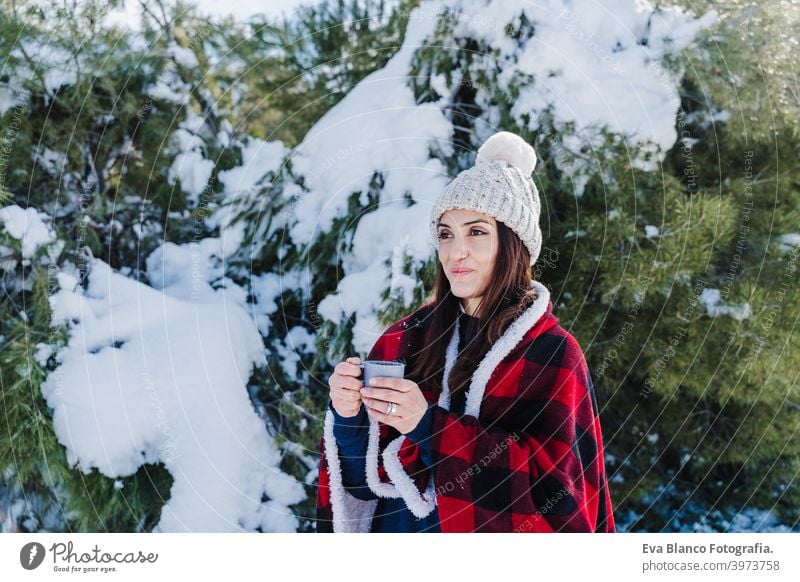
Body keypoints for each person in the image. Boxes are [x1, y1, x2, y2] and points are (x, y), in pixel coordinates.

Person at [315, 131, 615, 533]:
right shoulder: (407, 339)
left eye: (476, 232)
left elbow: (558, 504)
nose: (456, 252)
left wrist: (429, 427)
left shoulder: (551, 353)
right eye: (445, 234)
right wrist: (348, 415)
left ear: (514, 244)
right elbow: (364, 488)